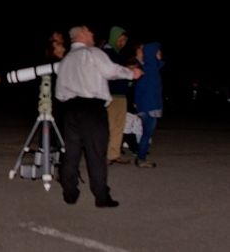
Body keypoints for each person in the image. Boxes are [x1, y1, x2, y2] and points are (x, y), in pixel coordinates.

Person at [55, 25, 142, 208]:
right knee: (96, 154)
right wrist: (132, 73)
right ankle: (101, 197)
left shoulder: (66, 60)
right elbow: (111, 71)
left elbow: (59, 92)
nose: (93, 33)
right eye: (89, 31)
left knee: (71, 154)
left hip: (69, 110)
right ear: (81, 35)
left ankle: (69, 193)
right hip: (91, 109)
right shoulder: (92, 53)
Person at [102, 25, 132, 165]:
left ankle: (114, 154)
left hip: (121, 94)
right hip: (110, 94)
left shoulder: (120, 54)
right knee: (108, 125)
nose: (122, 42)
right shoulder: (106, 53)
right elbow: (111, 72)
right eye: (120, 39)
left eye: (124, 40)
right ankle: (103, 154)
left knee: (119, 126)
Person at [133, 42, 164, 168]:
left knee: (146, 133)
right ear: (152, 54)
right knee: (146, 134)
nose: (160, 53)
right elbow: (141, 89)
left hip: (148, 106)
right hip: (149, 107)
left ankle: (141, 157)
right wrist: (141, 106)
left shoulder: (151, 68)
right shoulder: (150, 70)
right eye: (158, 51)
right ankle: (141, 159)